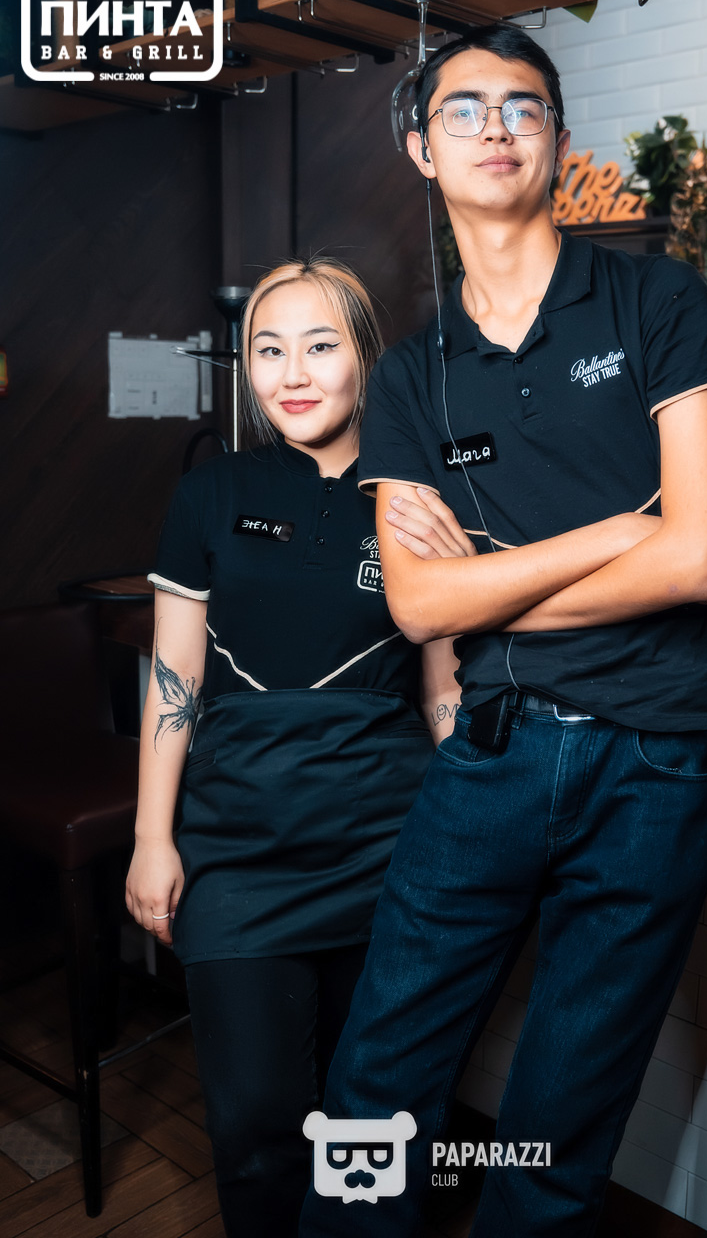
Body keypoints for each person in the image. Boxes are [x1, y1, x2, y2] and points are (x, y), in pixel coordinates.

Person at [299, 24, 707, 1237]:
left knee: (559, 1121)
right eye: (462, 108)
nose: (494, 127)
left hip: (662, 752)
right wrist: (615, 533)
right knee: (374, 1083)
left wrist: (490, 581)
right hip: (494, 744)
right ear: (419, 147)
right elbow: (417, 604)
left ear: (557, 137)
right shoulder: (412, 376)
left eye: (523, 106)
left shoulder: (657, 300)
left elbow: (697, 557)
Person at [124, 257, 461, 1238]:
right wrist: (153, 837)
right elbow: (174, 678)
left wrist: (467, 838)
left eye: (320, 345)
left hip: (388, 849)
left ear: (366, 356)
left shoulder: (413, 498)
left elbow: (442, 688)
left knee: (375, 1120)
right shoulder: (210, 491)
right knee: (254, 1129)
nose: (293, 373)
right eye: (269, 350)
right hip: (236, 851)